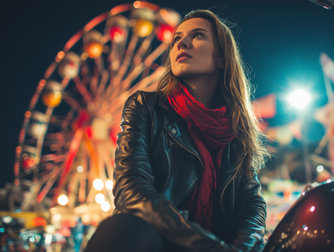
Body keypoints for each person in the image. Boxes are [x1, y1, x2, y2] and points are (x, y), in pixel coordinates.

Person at [85, 9, 268, 252]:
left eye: (198, 36)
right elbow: (131, 189)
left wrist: (241, 248)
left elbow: (253, 206)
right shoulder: (146, 107)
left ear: (222, 58)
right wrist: (209, 247)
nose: (182, 42)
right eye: (177, 38)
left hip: (223, 242)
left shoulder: (236, 129)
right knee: (121, 228)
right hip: (165, 242)